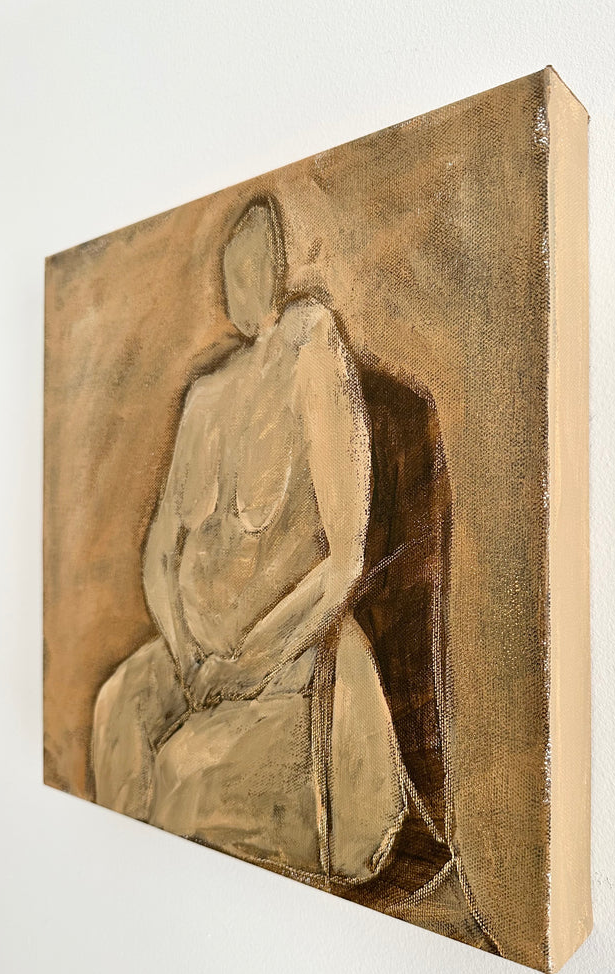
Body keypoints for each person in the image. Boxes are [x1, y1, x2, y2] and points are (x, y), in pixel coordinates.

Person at [92, 196, 406, 882]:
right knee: (116, 711)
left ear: (277, 268)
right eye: (231, 269)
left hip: (292, 668)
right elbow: (159, 552)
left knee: (182, 774)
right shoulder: (204, 397)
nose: (242, 282)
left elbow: (344, 560)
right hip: (197, 662)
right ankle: (117, 895)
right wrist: (185, 652)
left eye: (255, 263)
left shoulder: (311, 346)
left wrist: (247, 664)